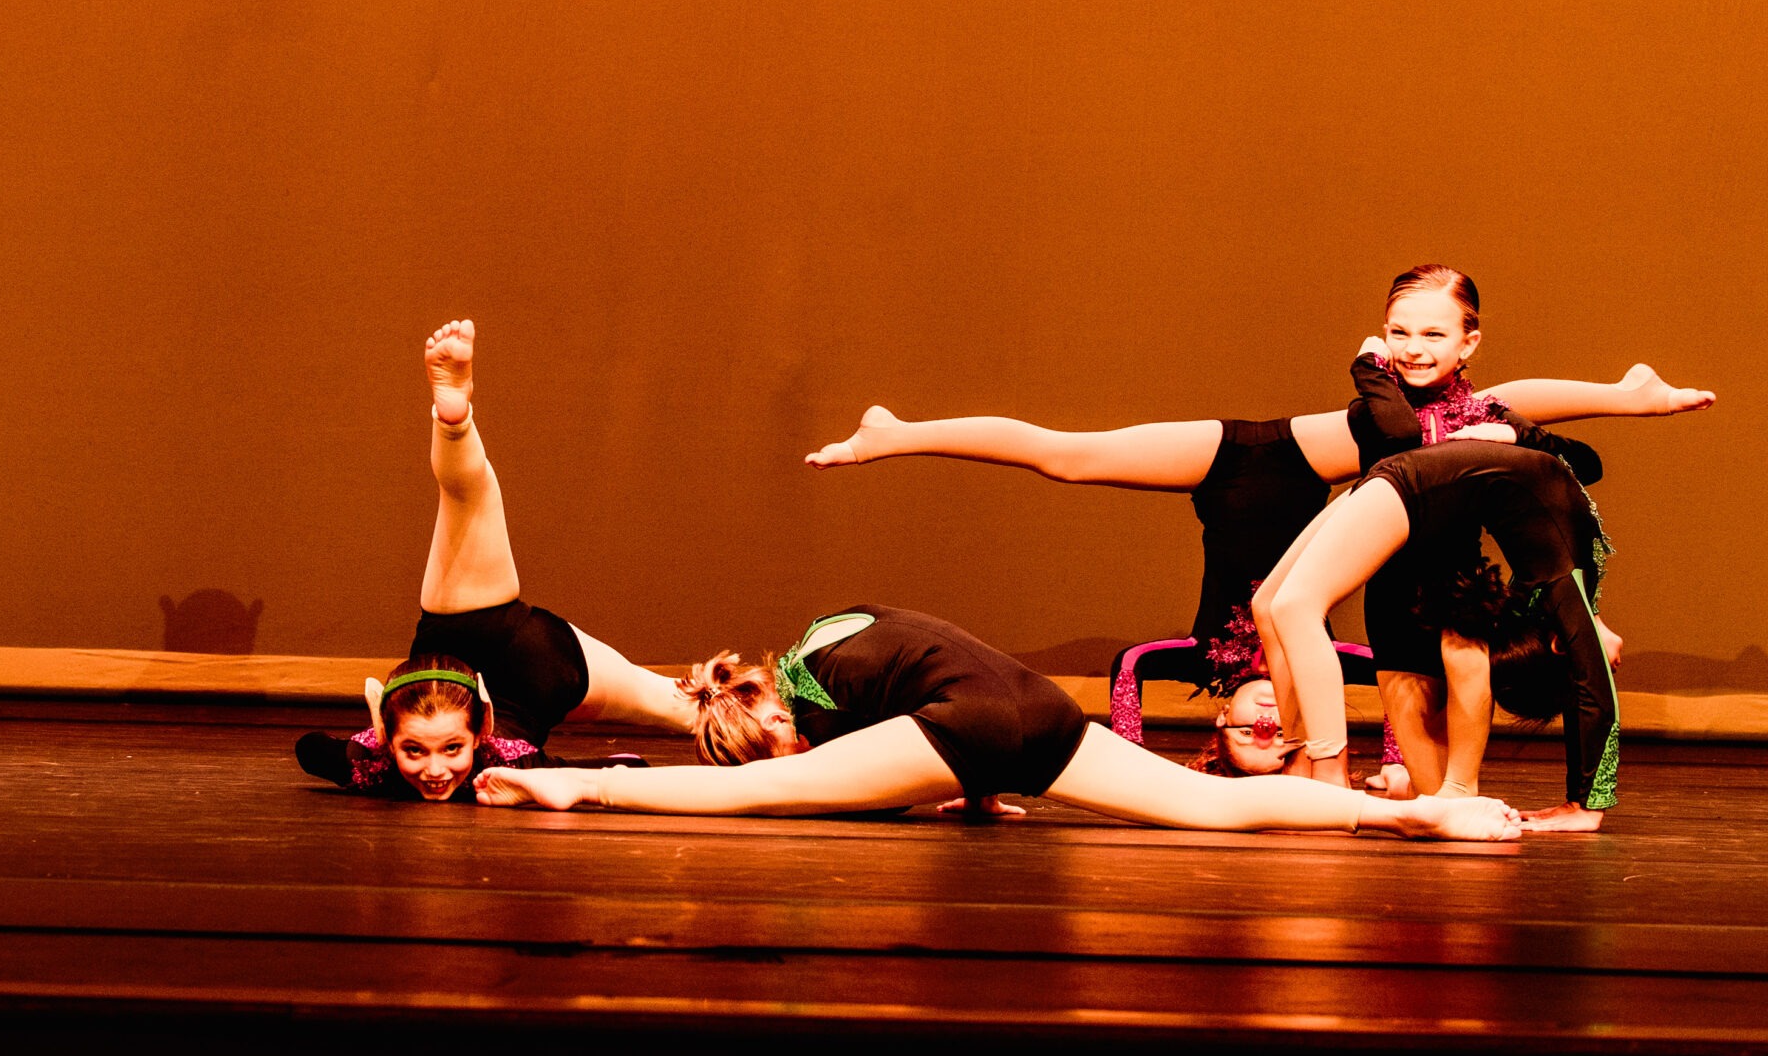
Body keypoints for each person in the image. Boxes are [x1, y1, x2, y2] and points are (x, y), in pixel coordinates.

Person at [806, 264, 1704, 784]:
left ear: (1467, 340)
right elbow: (1427, 421)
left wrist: (1625, 399)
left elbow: (1520, 400)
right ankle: (898, 431)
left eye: (1433, 335)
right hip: (1250, 456)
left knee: (1290, 611)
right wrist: (1378, 369)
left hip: (1311, 486)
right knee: (1070, 454)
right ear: (1382, 332)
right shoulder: (1392, 393)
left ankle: (1342, 773)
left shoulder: (1457, 409)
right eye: (1398, 333)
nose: (1412, 347)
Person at [473, 606, 1520, 841]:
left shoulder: (813, 693)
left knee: (755, 801)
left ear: (772, 712)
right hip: (1035, 709)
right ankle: (1418, 815)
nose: (800, 753)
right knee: (1210, 808)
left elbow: (816, 775)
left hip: (971, 725)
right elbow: (925, 676)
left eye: (782, 739)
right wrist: (970, 792)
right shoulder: (830, 635)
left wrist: (941, 782)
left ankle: (580, 784)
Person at [293, 321, 693, 800]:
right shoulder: (506, 762)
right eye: (414, 751)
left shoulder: (379, 763)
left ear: (482, 730)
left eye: (449, 749)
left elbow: (312, 750)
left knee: (466, 499)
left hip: (473, 630)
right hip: (546, 670)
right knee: (691, 708)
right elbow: (627, 765)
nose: (435, 770)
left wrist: (374, 756)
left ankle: (454, 418)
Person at [1251, 438, 1619, 831]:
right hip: (1411, 485)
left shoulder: (1549, 595)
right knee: (1287, 605)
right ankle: (1324, 776)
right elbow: (1591, 684)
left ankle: (1306, 768)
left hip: (1421, 494)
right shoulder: (1564, 584)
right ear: (1556, 645)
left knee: (1276, 604)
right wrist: (1585, 805)